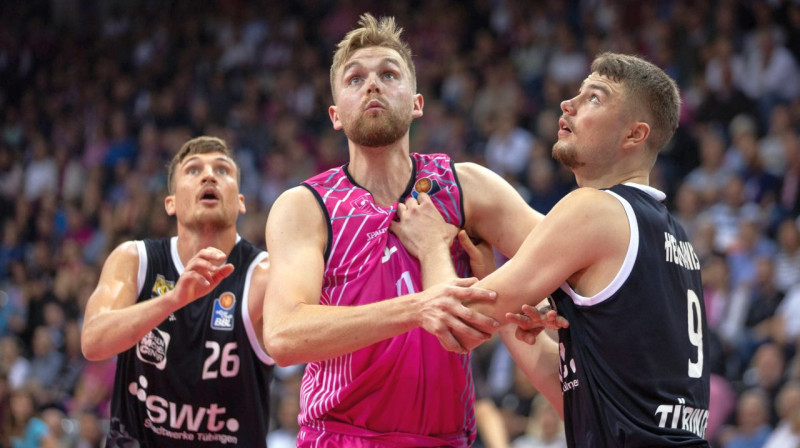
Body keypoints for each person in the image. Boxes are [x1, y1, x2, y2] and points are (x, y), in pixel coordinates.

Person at [396, 53, 711, 446]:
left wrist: (430, 248)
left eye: (595, 98)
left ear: (634, 135)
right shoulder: (676, 239)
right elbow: (575, 401)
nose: (569, 104)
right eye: (578, 93)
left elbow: (459, 324)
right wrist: (494, 289)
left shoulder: (596, 209)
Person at [262, 13, 543, 447]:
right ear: (335, 115)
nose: (372, 84)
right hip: (338, 437)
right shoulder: (304, 206)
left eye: (389, 74)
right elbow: (282, 334)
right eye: (354, 78)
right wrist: (418, 308)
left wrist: (538, 301)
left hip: (448, 438)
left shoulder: (467, 186)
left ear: (416, 102)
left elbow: (564, 258)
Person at [81, 136, 273, 447]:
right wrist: (173, 300)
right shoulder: (134, 259)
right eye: (193, 170)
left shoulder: (263, 273)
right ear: (170, 203)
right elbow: (93, 341)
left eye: (223, 170)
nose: (209, 175)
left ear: (240, 200)